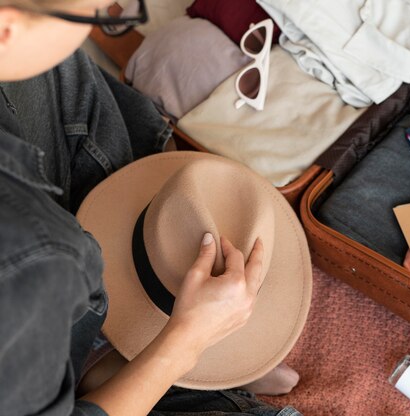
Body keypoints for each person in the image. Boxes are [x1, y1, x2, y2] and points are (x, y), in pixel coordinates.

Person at [0, 0, 301, 414]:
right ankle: (147, 365)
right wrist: (189, 338)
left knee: (65, 76)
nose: (114, 8)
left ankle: (137, 350)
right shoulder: (36, 256)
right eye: (103, 12)